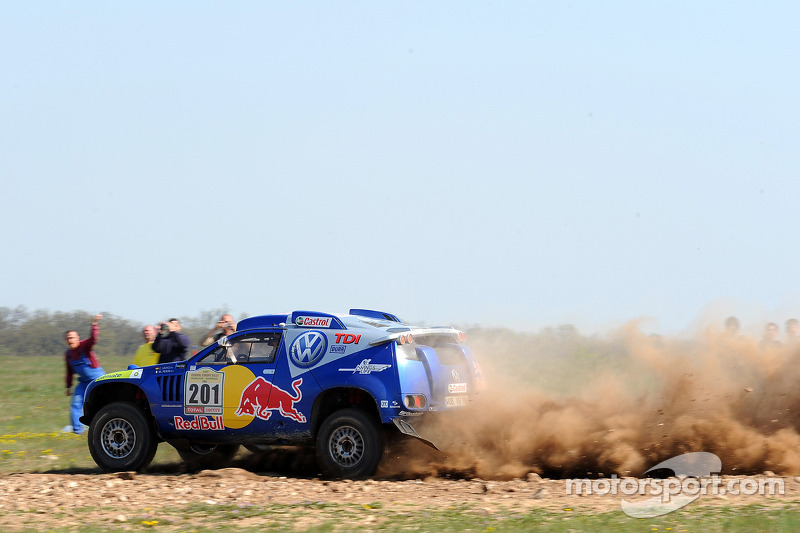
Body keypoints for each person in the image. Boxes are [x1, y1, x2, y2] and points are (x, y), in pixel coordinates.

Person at [64, 314, 106, 434]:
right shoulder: (68, 354)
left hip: (98, 379)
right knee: (76, 403)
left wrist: (94, 325)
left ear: (78, 338)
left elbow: (94, 339)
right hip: (83, 383)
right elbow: (69, 371)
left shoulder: (85, 346)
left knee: (101, 403)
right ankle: (77, 430)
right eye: (68, 338)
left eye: (72, 337)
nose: (70, 340)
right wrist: (68, 386)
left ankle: (102, 426)